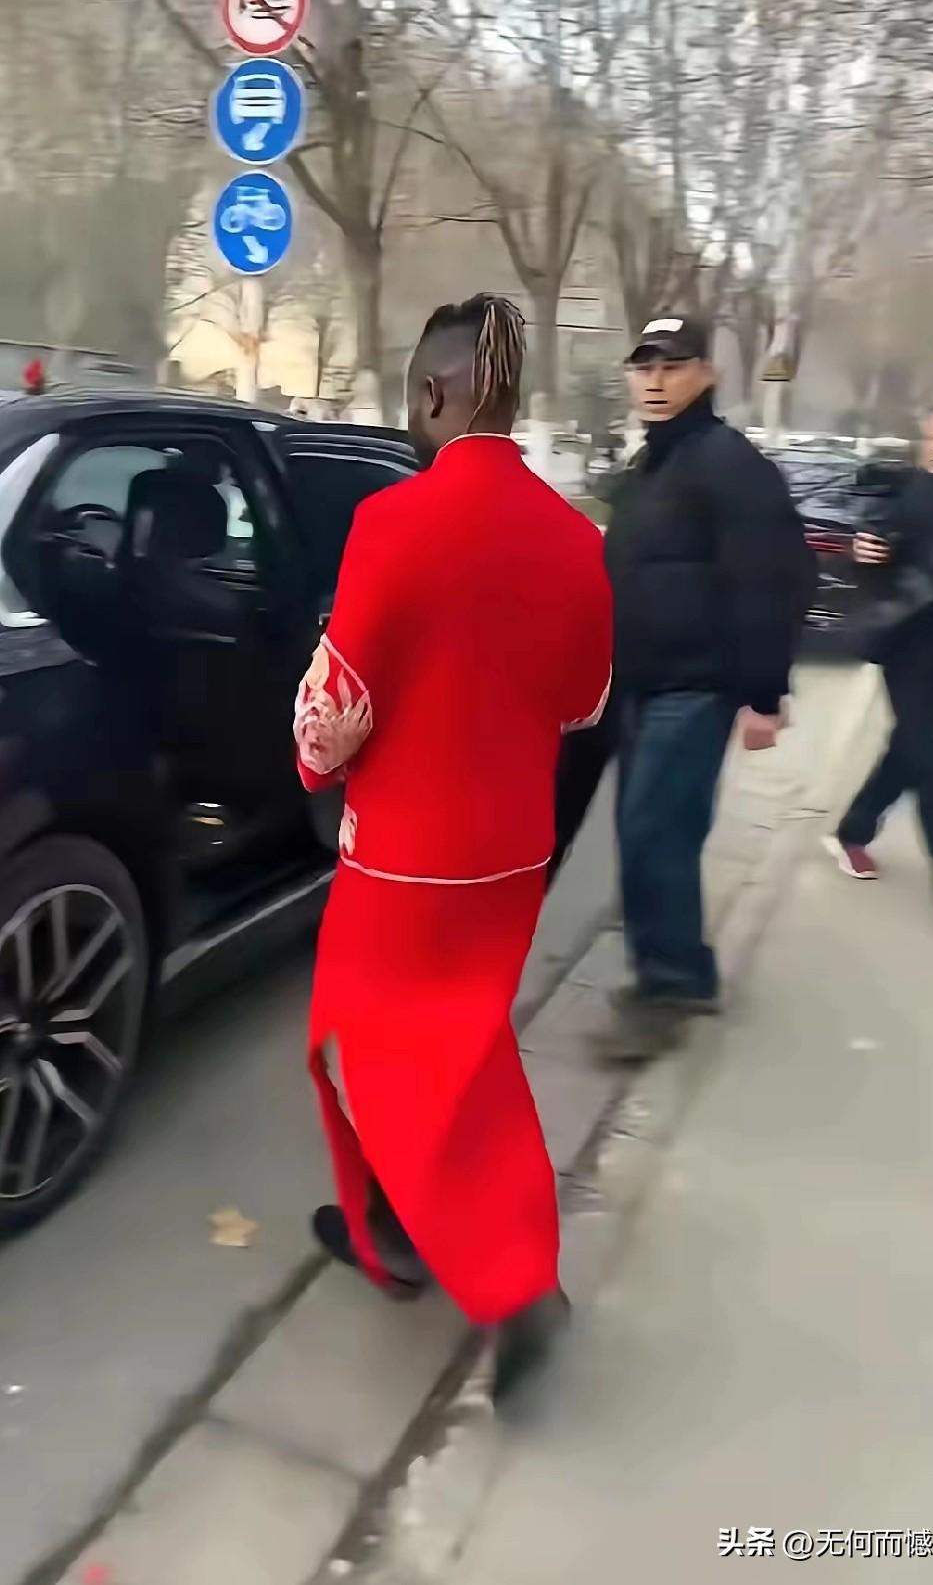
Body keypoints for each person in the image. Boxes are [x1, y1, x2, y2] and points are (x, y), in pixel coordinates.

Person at [293, 295, 612, 1399]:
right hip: (512, 852)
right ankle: (417, 1229)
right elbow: (584, 701)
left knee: (379, 1052)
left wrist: (313, 759)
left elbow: (331, 717)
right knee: (460, 1046)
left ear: (433, 393)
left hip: (405, 859)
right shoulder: (576, 539)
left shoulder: (393, 522)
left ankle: (507, 1281)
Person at [598, 314, 812, 1063]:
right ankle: (674, 970)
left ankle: (671, 986)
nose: (655, 381)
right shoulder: (650, 464)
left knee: (656, 832)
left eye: (673, 366)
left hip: (696, 686)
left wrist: (764, 694)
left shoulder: (729, 463)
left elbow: (775, 581)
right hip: (641, 684)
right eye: (644, 367)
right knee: (646, 833)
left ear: (706, 375)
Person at [827, 404, 933, 930]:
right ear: (925, 442)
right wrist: (863, 552)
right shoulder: (902, 493)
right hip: (910, 650)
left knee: (908, 752)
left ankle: (853, 830)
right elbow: (865, 550)